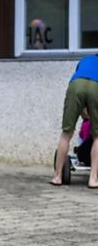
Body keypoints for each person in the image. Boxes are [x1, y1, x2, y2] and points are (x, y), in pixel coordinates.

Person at [52, 54, 98, 187]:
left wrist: (86, 115)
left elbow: (81, 81)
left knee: (66, 133)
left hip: (76, 85)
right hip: (96, 85)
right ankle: (93, 179)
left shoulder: (85, 60)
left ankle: (57, 177)